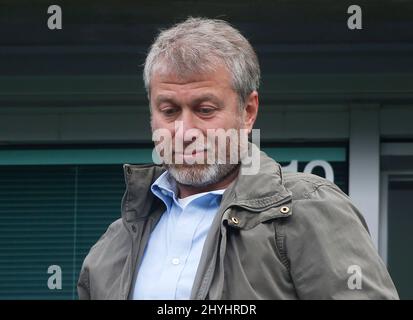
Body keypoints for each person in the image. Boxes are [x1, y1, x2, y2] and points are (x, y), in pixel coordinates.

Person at [77, 17, 398, 300]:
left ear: (248, 111)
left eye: (205, 110)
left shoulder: (308, 209)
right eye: (169, 111)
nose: (185, 130)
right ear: (152, 116)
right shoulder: (114, 246)